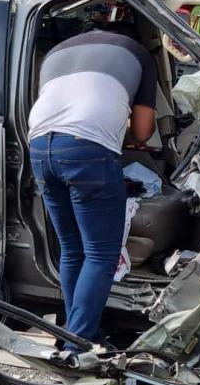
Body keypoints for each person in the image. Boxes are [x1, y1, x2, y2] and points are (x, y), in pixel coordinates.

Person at [27, 24, 157, 348]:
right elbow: (142, 132)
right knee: (101, 253)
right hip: (87, 148)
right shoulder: (138, 53)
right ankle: (77, 343)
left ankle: (76, 333)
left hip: (39, 146)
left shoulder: (58, 52)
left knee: (72, 248)